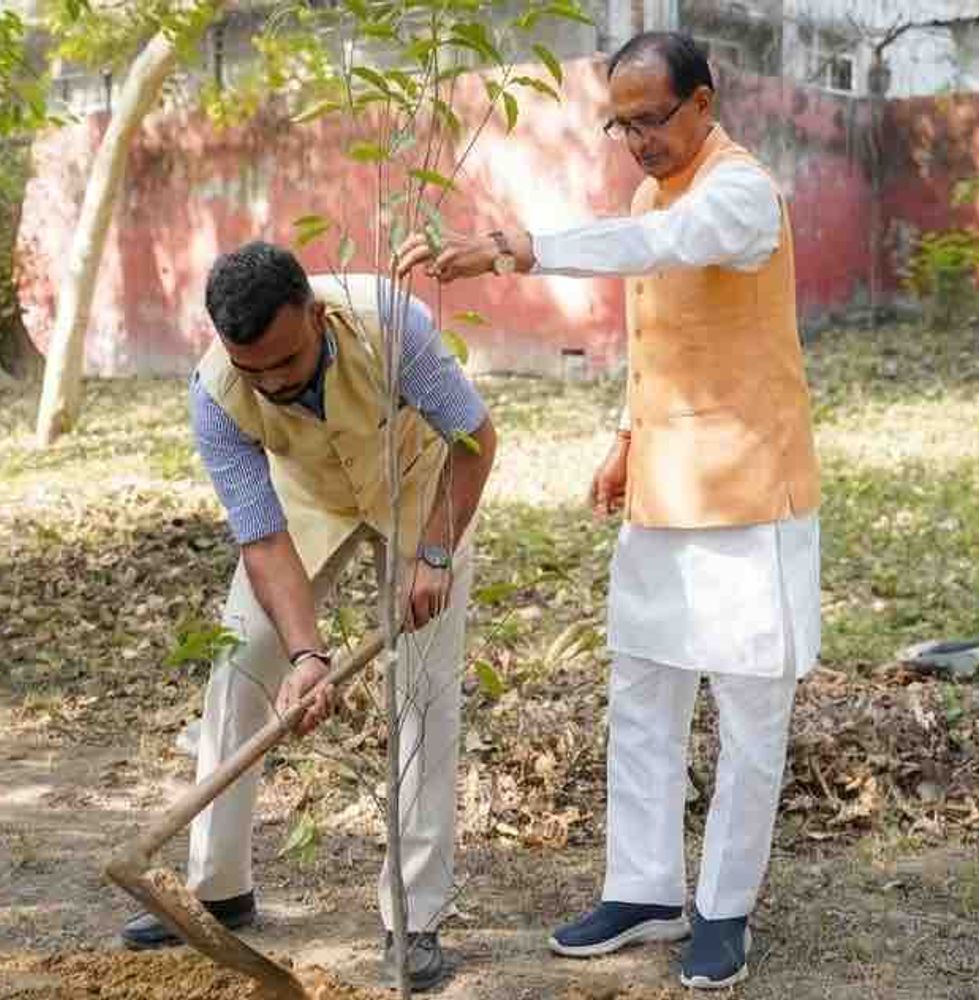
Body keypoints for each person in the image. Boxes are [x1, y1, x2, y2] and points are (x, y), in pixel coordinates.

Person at [397, 30, 821, 991]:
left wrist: (518, 247)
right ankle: (644, 889)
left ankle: (723, 909)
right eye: (621, 125)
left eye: (651, 120)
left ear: (704, 103)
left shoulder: (741, 193)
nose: (636, 142)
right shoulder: (646, 195)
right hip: (666, 487)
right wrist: (627, 437)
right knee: (643, 692)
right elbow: (655, 334)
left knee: (749, 708)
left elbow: (663, 247)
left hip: (752, 494)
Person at [120, 241, 497, 993]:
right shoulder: (215, 392)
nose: (272, 383)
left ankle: (414, 915)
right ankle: (217, 890)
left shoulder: (392, 326)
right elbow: (262, 540)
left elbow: (473, 440)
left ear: (317, 317)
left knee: (423, 693)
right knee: (242, 664)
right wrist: (306, 655)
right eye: (252, 370)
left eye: (286, 362)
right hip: (310, 500)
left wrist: (434, 553)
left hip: (420, 488)